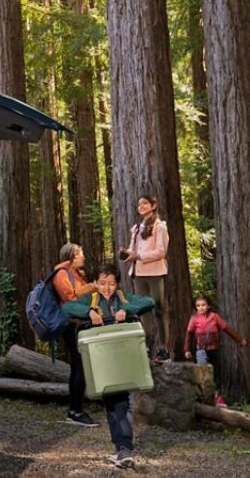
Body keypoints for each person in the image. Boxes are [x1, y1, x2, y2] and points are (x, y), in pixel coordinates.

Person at [61, 263, 139, 469]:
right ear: (95, 283)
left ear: (117, 284)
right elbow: (67, 307)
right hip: (102, 360)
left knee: (123, 401)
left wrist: (125, 309)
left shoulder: (123, 299)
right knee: (112, 404)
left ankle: (125, 449)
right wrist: (89, 312)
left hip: (122, 356)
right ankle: (120, 449)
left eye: (111, 283)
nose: (107, 287)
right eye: (102, 283)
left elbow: (147, 302)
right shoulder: (91, 299)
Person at [120, 194, 171, 362]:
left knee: (159, 309)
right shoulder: (136, 228)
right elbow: (132, 249)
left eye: (145, 203)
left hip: (155, 273)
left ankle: (163, 348)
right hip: (138, 274)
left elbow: (161, 252)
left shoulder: (159, 226)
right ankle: (148, 347)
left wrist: (138, 256)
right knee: (143, 311)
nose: (141, 206)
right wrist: (127, 254)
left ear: (153, 205)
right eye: (139, 204)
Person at [52, 243, 98, 427]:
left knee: (78, 366)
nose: (83, 257)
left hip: (79, 324)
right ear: (71, 256)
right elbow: (70, 298)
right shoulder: (61, 273)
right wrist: (92, 287)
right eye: (80, 253)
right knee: (81, 365)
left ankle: (74, 410)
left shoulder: (76, 273)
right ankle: (76, 412)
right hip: (71, 325)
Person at [183, 295, 247, 407]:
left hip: (214, 349)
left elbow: (227, 329)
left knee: (215, 373)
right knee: (203, 372)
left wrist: (240, 339)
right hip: (201, 350)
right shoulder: (194, 318)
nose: (201, 308)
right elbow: (189, 334)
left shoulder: (214, 317)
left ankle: (217, 397)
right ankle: (203, 398)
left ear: (208, 306)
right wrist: (187, 349)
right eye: (198, 305)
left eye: (203, 305)